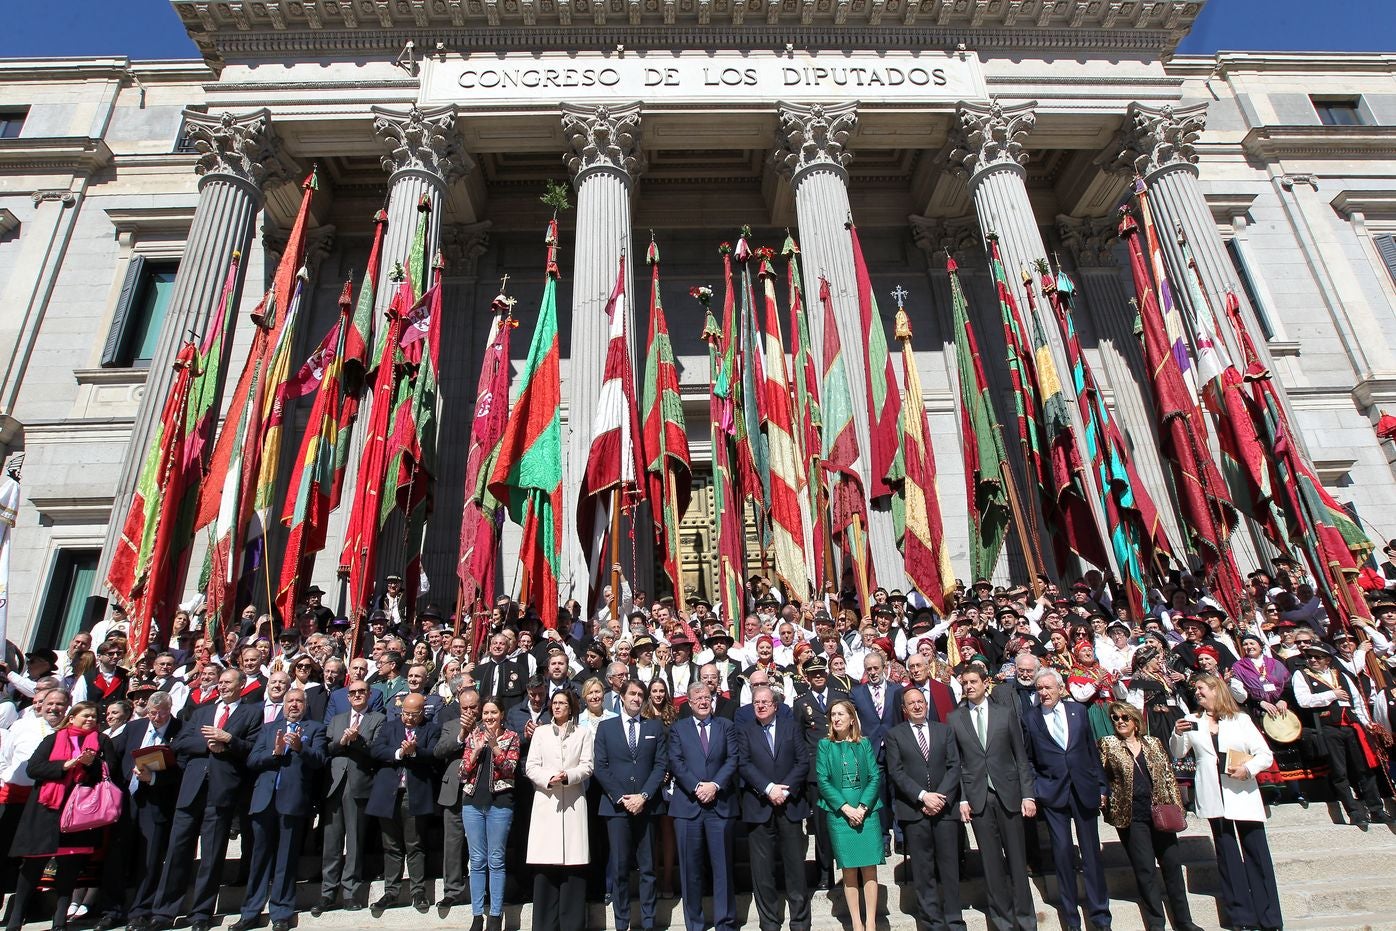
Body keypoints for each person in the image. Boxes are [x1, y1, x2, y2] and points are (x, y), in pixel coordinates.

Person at [150, 667, 263, 931]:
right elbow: (179, 743)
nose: (222, 686)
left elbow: (253, 748)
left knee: (212, 854)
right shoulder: (201, 711)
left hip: (222, 791)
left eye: (228, 682)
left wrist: (229, 741)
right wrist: (209, 744)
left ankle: (201, 913)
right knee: (177, 850)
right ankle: (164, 912)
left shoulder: (252, 713)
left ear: (242, 684)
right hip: (192, 789)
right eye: (220, 682)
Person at [1171, 672, 1281, 931]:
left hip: (1241, 791)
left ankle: (1270, 918)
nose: (1197, 693)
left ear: (1215, 689)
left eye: (1201, 688)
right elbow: (1178, 752)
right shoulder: (1191, 719)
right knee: (1227, 853)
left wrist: (1249, 769)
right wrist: (1176, 733)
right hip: (1213, 793)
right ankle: (1241, 916)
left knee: (1256, 853)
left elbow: (1264, 754)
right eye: (1195, 690)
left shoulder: (1239, 719)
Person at [3, 701, 120, 931]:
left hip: (79, 813)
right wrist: (66, 765)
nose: (90, 720)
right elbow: (33, 768)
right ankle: (16, 920)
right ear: (72, 716)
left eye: (94, 717)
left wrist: (89, 765)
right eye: (85, 715)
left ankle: (59, 922)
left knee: (69, 870)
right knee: (31, 868)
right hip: (46, 810)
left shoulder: (102, 741)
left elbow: (110, 772)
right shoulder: (53, 739)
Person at [1098, 701, 1203, 931]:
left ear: (1135, 721)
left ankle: (1184, 920)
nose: (1120, 722)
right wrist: (1103, 799)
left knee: (1173, 867)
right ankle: (1156, 922)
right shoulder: (1108, 744)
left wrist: (1177, 808)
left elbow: (1167, 775)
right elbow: (1101, 776)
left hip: (1160, 812)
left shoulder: (1153, 743)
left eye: (1124, 717)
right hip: (1131, 816)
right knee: (1145, 869)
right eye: (1115, 718)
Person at [1021, 668, 1111, 931]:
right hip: (1053, 793)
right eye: (1039, 689)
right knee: (1062, 855)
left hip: (1084, 790)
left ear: (1061, 689)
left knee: (1091, 854)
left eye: (1049, 687)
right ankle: (1071, 918)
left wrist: (1102, 786)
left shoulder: (1078, 712)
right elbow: (1028, 758)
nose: (1044, 692)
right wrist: (1036, 789)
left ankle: (1100, 916)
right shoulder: (1030, 718)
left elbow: (1091, 751)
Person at [949, 663, 1037, 931]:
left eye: (974, 681)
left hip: (1009, 794)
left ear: (986, 683)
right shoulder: (955, 718)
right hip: (978, 797)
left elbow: (1020, 757)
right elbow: (956, 762)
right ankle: (1002, 922)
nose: (969, 686)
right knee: (990, 862)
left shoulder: (1005, 713)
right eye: (965, 683)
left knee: (1017, 862)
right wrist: (962, 799)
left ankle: (1025, 919)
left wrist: (1028, 795)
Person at [234, 687, 328, 931]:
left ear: (305, 706)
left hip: (293, 802)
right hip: (264, 800)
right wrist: (274, 754)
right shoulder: (267, 729)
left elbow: (320, 761)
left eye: (298, 701)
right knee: (259, 859)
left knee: (286, 860)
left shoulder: (315, 729)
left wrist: (300, 748)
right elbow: (252, 761)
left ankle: (281, 913)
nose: (294, 705)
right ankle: (250, 912)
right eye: (290, 701)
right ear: (283, 704)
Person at [102, 691, 183, 931]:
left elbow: (182, 767)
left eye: (162, 713)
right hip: (128, 800)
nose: (156, 717)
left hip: (157, 801)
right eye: (152, 712)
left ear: (170, 710)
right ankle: (111, 910)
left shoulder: (180, 729)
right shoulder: (134, 727)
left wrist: (155, 778)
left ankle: (140, 911)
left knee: (150, 859)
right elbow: (116, 758)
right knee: (117, 855)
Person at [885, 685, 963, 931]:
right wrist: (922, 797)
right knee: (923, 870)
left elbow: (954, 766)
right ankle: (932, 923)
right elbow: (896, 771)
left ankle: (954, 919)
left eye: (921, 701)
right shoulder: (895, 735)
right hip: (914, 810)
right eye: (911, 703)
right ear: (904, 709)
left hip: (944, 809)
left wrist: (938, 797)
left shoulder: (945, 730)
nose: (917, 706)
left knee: (950, 868)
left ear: (926, 704)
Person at [735, 684, 812, 931]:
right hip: (759, 806)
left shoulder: (791, 728)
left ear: (775, 705)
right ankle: (769, 922)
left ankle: (800, 921)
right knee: (762, 870)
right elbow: (743, 764)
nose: (760, 706)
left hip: (789, 805)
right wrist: (768, 788)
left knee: (795, 866)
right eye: (756, 702)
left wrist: (785, 789)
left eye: (765, 702)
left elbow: (802, 761)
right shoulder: (745, 731)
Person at [593, 678, 668, 931]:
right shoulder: (606, 727)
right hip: (617, 808)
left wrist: (644, 796)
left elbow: (660, 765)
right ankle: (621, 922)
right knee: (620, 868)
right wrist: (622, 797)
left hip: (647, 807)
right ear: (622, 696)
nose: (636, 698)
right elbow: (600, 767)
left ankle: (649, 922)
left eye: (640, 695)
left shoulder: (654, 727)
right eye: (632, 694)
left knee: (647, 868)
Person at [1291, 641, 1388, 828]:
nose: (1312, 660)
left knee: (1364, 769)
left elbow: (1357, 701)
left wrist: (1366, 722)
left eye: (1317, 657)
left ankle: (1376, 809)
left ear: (1327, 659)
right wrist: (1332, 694)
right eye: (1309, 656)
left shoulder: (1341, 674)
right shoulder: (1301, 675)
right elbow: (1304, 701)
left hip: (1351, 726)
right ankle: (1353, 812)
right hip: (1328, 727)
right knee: (1339, 771)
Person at [668, 682, 738, 931]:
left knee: (723, 869)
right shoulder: (678, 729)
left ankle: (725, 923)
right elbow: (675, 761)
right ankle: (694, 924)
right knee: (690, 871)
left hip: (719, 806)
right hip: (688, 807)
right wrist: (698, 786)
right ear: (688, 701)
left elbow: (732, 759)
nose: (703, 701)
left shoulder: (726, 726)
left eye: (707, 696)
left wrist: (715, 785)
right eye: (697, 697)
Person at [525, 688, 595, 931]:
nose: (557, 707)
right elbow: (531, 766)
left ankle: (571, 924)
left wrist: (569, 776)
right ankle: (545, 924)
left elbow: (587, 766)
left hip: (573, 802)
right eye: (554, 703)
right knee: (546, 868)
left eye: (562, 703)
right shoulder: (542, 733)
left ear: (571, 707)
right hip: (547, 803)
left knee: (573, 867)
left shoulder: (583, 733)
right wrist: (549, 778)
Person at [367, 692, 440, 913]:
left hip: (414, 792)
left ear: (422, 712)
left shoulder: (431, 729)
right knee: (391, 844)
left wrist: (415, 752)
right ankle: (391, 891)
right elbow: (376, 749)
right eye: (405, 713)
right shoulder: (390, 728)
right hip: (389, 793)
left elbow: (434, 754)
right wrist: (399, 752)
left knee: (415, 843)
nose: (408, 718)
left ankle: (418, 891)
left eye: (413, 714)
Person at [816, 699, 883, 931]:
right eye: (833, 715)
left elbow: (875, 776)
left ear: (851, 718)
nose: (836, 718)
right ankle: (856, 923)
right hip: (840, 814)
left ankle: (871, 922)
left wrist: (862, 808)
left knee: (869, 869)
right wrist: (846, 808)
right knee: (849, 870)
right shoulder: (825, 745)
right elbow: (823, 781)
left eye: (841, 714)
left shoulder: (863, 744)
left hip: (867, 813)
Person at [319, 677, 384, 914]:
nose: (357, 695)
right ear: (347, 697)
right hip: (335, 784)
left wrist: (355, 742)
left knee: (355, 841)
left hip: (359, 785)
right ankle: (327, 892)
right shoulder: (336, 720)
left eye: (361, 692)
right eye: (353, 692)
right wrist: (342, 741)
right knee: (332, 841)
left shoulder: (377, 718)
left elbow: (376, 750)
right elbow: (327, 747)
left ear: (369, 695)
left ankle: (350, 892)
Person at [459, 697, 521, 929]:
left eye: (493, 713)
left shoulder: (511, 737)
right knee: (476, 861)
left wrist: (495, 747)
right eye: (485, 713)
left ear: (502, 714)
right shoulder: (473, 736)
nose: (489, 717)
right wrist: (475, 751)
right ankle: (477, 915)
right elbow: (462, 774)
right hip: (472, 804)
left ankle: (495, 914)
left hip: (499, 804)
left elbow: (509, 770)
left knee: (496, 860)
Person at [431, 685, 480, 909]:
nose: (469, 712)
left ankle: (481, 889)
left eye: (473, 707)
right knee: (452, 843)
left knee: (480, 844)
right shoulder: (451, 726)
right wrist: (461, 735)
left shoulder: (488, 725)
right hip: (454, 792)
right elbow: (438, 751)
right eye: (465, 708)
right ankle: (452, 890)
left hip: (480, 792)